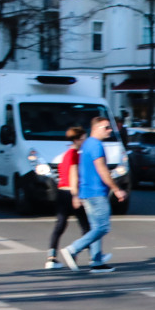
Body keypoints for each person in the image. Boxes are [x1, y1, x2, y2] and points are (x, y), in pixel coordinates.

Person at [58, 116, 126, 274]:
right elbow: (102, 169)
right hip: (96, 193)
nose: (109, 130)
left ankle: (96, 262)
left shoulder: (88, 143)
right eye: (106, 127)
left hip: (87, 192)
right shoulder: (96, 145)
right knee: (102, 227)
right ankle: (73, 249)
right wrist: (116, 189)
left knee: (96, 227)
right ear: (96, 128)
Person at [45, 127, 92, 269]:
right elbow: (73, 175)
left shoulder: (65, 155)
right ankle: (89, 255)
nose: (85, 141)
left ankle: (51, 258)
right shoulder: (75, 155)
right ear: (77, 140)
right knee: (86, 227)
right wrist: (76, 195)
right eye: (83, 138)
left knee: (60, 225)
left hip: (61, 192)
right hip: (71, 192)